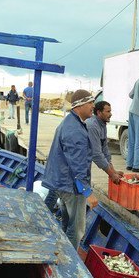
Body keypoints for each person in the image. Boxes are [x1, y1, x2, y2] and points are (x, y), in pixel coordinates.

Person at [42, 89, 98, 249]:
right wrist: (88, 192)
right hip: (71, 186)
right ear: (79, 105)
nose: (93, 106)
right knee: (77, 229)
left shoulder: (70, 122)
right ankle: (70, 262)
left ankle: (63, 251)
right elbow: (78, 165)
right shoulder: (74, 130)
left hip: (61, 183)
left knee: (67, 222)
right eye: (90, 103)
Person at [86, 101, 124, 183]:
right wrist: (112, 174)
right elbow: (96, 154)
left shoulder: (102, 125)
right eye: (108, 111)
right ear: (99, 112)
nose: (110, 114)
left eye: (110, 111)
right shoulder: (92, 126)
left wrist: (114, 171)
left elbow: (105, 150)